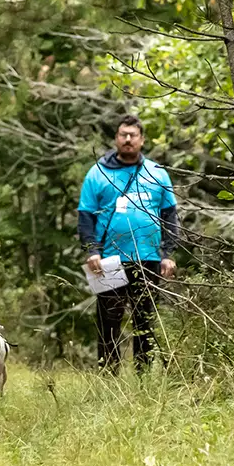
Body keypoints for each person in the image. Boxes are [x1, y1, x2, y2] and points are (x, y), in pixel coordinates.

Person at [77, 114, 180, 372]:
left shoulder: (157, 173)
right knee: (109, 319)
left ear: (142, 140)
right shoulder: (98, 172)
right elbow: (86, 214)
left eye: (133, 135)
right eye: (123, 135)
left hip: (148, 257)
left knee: (144, 320)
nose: (128, 139)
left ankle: (143, 375)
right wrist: (92, 250)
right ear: (116, 139)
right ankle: (108, 375)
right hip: (108, 259)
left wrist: (167, 253)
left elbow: (170, 216)